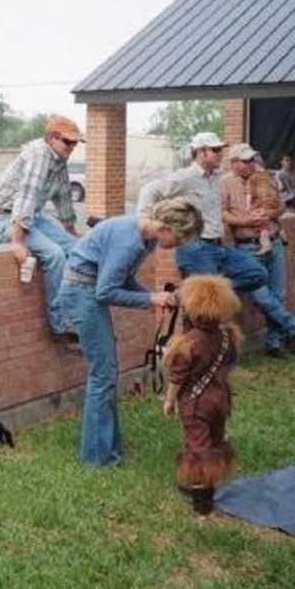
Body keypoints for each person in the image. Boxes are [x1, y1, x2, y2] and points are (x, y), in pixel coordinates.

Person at [58, 197, 203, 467]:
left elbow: (121, 280)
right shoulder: (129, 241)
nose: (179, 246)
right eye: (181, 238)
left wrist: (152, 297)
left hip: (87, 290)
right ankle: (96, 459)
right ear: (168, 227)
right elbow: (105, 291)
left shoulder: (145, 239)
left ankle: (108, 450)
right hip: (81, 293)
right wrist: (151, 300)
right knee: (103, 374)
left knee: (106, 373)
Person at [137, 132, 266, 292]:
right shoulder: (185, 177)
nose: (221, 154)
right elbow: (149, 190)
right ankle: (199, 292)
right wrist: (145, 221)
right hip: (195, 247)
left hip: (219, 245)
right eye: (216, 150)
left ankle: (193, 291)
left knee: (257, 274)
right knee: (207, 309)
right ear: (201, 152)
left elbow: (251, 171)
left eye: (220, 150)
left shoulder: (218, 176)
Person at [0, 115, 82, 335]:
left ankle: (75, 312)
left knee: (77, 251)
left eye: (75, 143)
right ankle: (61, 324)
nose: (72, 147)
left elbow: (64, 196)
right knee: (55, 255)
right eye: (68, 142)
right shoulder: (39, 155)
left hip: (33, 217)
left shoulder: (59, 160)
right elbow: (27, 197)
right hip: (5, 218)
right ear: (51, 138)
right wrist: (18, 242)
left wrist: (70, 231)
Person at [162, 275, 242, 517]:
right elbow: (229, 363)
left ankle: (202, 500)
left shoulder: (187, 343)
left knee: (199, 448)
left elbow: (177, 377)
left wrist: (168, 400)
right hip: (221, 398)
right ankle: (210, 482)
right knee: (216, 440)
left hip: (196, 403)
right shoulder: (228, 336)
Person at [221, 143, 295, 359]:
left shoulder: (265, 176)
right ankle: (292, 325)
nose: (251, 164)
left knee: (278, 293)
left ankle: (274, 343)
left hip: (274, 239)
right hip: (246, 245)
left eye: (252, 160)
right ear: (233, 163)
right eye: (246, 160)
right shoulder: (224, 183)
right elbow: (222, 213)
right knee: (261, 296)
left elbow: (281, 206)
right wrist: (245, 220)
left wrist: (269, 214)